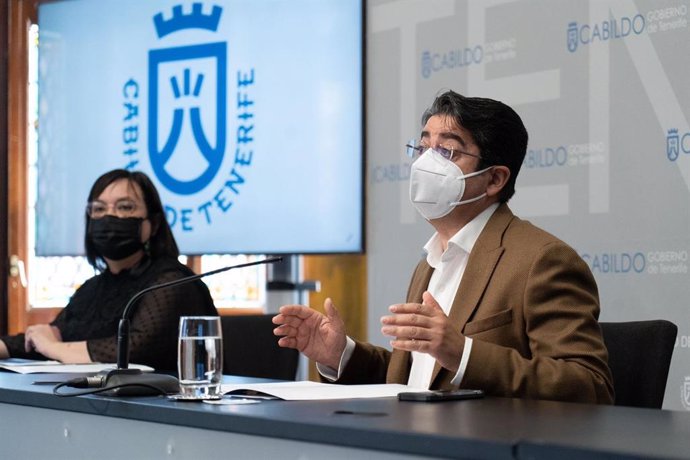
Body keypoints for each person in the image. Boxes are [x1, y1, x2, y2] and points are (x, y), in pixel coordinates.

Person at [273, 90, 614, 404]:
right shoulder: (431, 262)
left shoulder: (541, 260)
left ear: (495, 179)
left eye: (447, 151)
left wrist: (463, 353)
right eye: (423, 148)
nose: (426, 164)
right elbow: (420, 381)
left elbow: (589, 386)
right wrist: (340, 355)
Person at [0, 169, 218, 371]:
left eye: (125, 207)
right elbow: (46, 337)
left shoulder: (173, 281)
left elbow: (135, 349)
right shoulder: (92, 288)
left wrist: (53, 349)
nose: (109, 217)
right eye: (99, 209)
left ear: (153, 224)